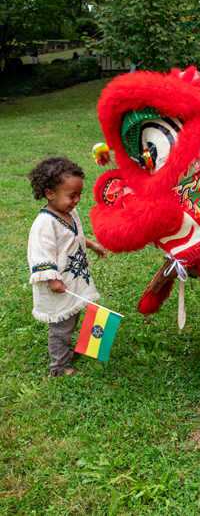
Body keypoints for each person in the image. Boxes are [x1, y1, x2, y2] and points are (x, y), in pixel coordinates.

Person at [27, 157, 106, 377]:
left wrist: (92, 245)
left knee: (71, 318)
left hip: (72, 281)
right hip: (58, 286)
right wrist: (52, 280)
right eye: (72, 195)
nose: (77, 200)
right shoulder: (44, 223)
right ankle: (58, 367)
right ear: (50, 194)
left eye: (80, 194)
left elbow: (74, 238)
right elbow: (40, 254)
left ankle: (65, 352)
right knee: (61, 326)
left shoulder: (70, 213)